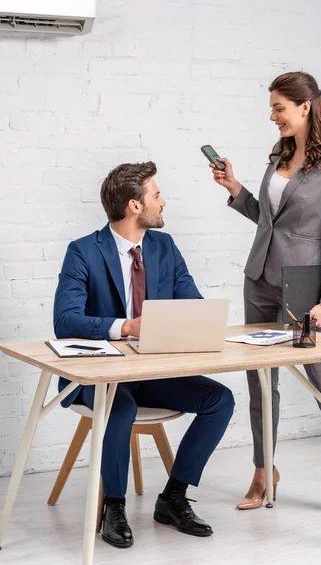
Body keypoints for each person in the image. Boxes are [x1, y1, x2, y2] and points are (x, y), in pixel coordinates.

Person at [209, 71, 321, 526]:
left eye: (279, 107)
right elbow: (268, 221)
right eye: (272, 107)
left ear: (304, 106)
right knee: (260, 383)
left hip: (303, 289)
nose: (272, 116)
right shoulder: (278, 155)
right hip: (258, 278)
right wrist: (236, 190)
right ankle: (264, 472)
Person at [53, 161, 235, 549]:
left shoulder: (164, 246)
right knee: (119, 407)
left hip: (150, 372)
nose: (163, 202)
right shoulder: (83, 251)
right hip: (95, 376)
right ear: (134, 206)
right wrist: (126, 326)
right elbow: (65, 320)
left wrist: (201, 324)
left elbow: (193, 304)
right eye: (156, 195)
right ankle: (113, 507)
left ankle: (173, 497)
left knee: (219, 399)